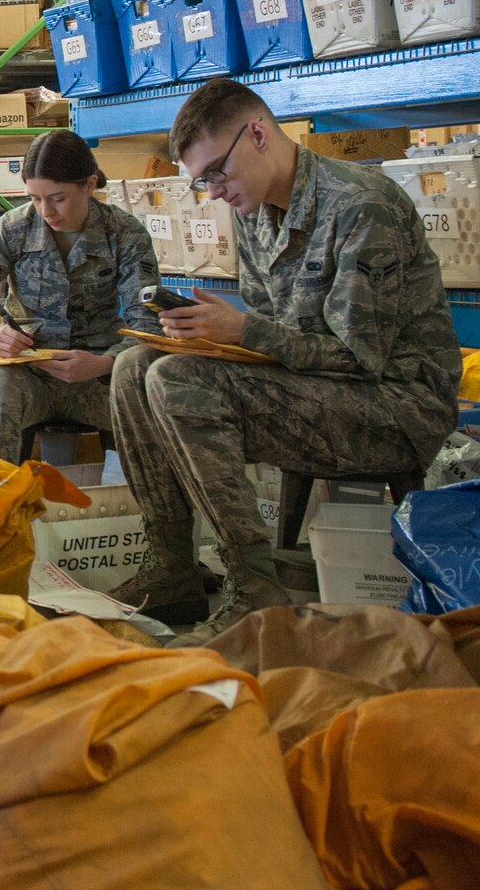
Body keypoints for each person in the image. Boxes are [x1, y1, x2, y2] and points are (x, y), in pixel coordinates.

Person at [107, 79, 461, 642]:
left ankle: (253, 589)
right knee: (134, 367)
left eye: (216, 174)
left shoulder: (361, 206)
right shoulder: (255, 209)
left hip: (395, 407)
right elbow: (280, 339)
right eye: (202, 183)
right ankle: (174, 568)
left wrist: (244, 330)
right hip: (315, 388)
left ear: (258, 134)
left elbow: (359, 358)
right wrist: (209, 337)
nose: (215, 192)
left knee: (179, 380)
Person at [0, 130, 161, 464]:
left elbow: (148, 326)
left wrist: (105, 362)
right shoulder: (12, 230)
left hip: (100, 377)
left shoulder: (125, 233)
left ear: (89, 184)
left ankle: (151, 513)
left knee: (152, 388)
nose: (46, 210)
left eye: (57, 198)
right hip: (29, 376)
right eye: (35, 198)